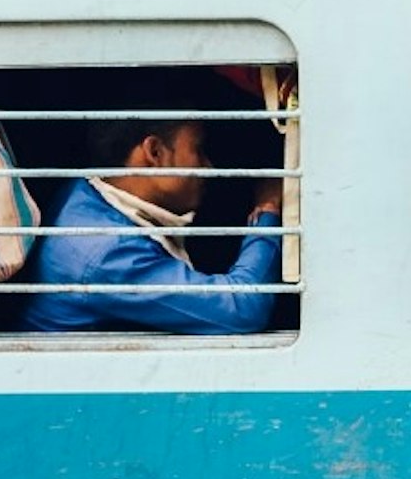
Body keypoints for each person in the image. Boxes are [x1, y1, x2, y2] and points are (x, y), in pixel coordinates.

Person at [26, 112, 288, 335]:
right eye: (197, 149)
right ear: (154, 152)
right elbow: (242, 309)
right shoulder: (107, 253)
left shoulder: (84, 192)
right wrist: (268, 209)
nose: (208, 167)